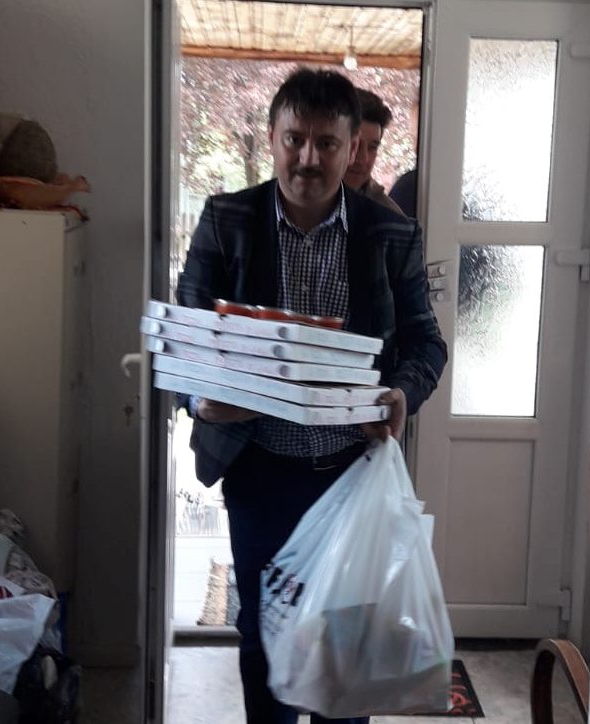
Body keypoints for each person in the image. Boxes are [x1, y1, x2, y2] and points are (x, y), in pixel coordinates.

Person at [175, 67, 447, 724]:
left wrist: (402, 394)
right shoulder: (227, 220)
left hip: (350, 480)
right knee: (263, 638)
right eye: (295, 139)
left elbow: (426, 345)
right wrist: (200, 398)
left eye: (327, 143)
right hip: (259, 471)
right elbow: (184, 342)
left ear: (352, 149)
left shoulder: (391, 235)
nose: (308, 158)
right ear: (272, 137)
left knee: (345, 646)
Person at [342, 88, 405, 215]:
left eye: (372, 147)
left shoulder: (389, 217)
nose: (363, 159)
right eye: (354, 145)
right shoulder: (302, 207)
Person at [388, 99, 420, 218]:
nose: (415, 147)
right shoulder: (408, 187)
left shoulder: (409, 187)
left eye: (421, 137)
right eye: (414, 138)